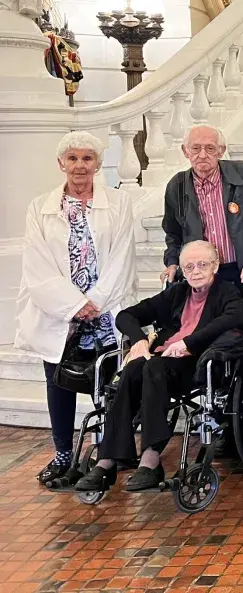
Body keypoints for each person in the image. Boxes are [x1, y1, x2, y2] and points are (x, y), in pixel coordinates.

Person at [74, 241, 243, 492]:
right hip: (161, 362)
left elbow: (236, 317)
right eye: (189, 267)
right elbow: (126, 316)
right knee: (132, 369)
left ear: (215, 266)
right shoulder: (177, 293)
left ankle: (150, 458)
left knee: (151, 368)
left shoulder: (226, 292)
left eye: (203, 264)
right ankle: (108, 459)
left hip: (197, 363)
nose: (196, 271)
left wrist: (189, 342)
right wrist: (139, 340)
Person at [16, 131, 137, 486]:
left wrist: (95, 301)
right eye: (72, 158)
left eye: (87, 158)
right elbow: (37, 264)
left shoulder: (119, 203)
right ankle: (63, 455)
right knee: (59, 383)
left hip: (105, 307)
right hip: (60, 313)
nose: (80, 165)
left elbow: (122, 256)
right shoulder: (40, 207)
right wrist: (73, 305)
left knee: (109, 383)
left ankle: (106, 453)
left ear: (98, 164)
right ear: (61, 164)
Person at [160, 124, 243, 322]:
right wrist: (172, 262)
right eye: (195, 148)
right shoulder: (176, 186)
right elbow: (173, 235)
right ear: (185, 151)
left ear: (221, 151)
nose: (202, 155)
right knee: (208, 332)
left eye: (210, 148)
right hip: (203, 275)